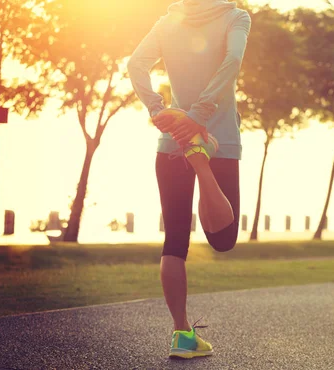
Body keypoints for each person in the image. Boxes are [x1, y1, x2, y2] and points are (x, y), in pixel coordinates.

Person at [127, 0, 251, 359]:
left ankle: (182, 335)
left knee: (175, 240)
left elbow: (136, 65)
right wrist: (200, 115)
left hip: (172, 139)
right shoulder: (236, 17)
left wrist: (159, 111)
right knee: (223, 239)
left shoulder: (168, 21)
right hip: (220, 140)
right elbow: (233, 61)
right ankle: (201, 161)